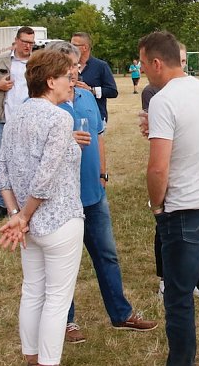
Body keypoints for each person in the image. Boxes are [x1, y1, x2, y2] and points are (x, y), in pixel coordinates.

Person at [45, 41, 157, 344]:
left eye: (77, 66)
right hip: (60, 200)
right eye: (70, 68)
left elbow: (98, 137)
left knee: (107, 256)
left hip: (93, 193)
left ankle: (121, 314)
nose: (76, 72)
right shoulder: (44, 105)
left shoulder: (85, 96)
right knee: (64, 264)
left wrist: (103, 174)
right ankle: (66, 322)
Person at [141, 31, 199, 366]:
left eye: (142, 63)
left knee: (178, 298)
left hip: (186, 207)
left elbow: (157, 169)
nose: (142, 71)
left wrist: (157, 205)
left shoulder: (163, 100)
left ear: (155, 62)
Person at [0, 49, 84, 366]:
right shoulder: (60, 117)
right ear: (50, 81)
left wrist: (15, 214)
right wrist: (22, 216)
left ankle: (32, 359)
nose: (70, 81)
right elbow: (44, 178)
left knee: (32, 291)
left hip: (29, 225)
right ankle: (46, 361)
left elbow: (1, 171)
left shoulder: (16, 113)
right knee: (57, 299)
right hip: (58, 221)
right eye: (66, 77)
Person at [139, 42, 189, 297]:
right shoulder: (154, 93)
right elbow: (155, 132)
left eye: (183, 61)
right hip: (170, 170)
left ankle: (187, 279)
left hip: (187, 177)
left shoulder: (194, 90)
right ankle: (165, 279)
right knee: (166, 230)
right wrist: (157, 203)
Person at [0, 26, 35, 222]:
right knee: (2, 162)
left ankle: (26, 201)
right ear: (16, 41)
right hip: (5, 122)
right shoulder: (1, 61)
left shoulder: (37, 62)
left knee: (30, 160)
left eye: (31, 43)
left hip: (30, 121)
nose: (28, 46)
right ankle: (1, 204)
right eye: (25, 42)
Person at [70, 32, 117, 182]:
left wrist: (91, 90)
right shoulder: (67, 66)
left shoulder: (101, 66)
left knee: (92, 153)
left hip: (95, 117)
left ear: (84, 47)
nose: (70, 47)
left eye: (74, 45)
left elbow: (113, 91)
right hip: (71, 116)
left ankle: (97, 179)